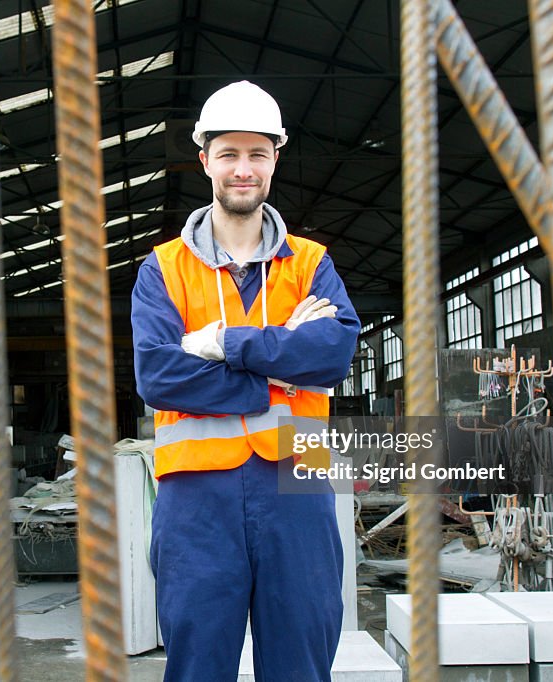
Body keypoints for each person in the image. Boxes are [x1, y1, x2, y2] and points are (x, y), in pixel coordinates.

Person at [131, 80, 361, 681]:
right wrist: (276, 377)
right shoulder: (163, 269)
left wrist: (226, 344)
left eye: (257, 154)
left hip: (298, 476)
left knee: (302, 658)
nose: (243, 168)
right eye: (229, 153)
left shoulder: (311, 262)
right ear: (204, 159)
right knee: (199, 662)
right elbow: (157, 375)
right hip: (197, 496)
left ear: (275, 160)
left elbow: (335, 352)